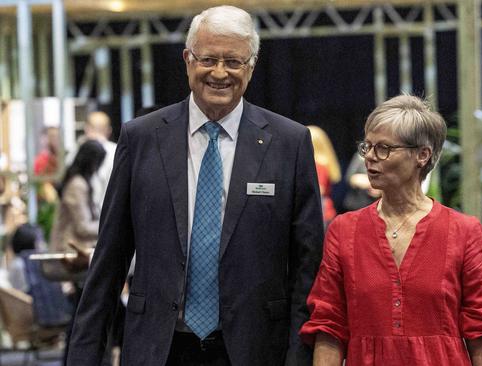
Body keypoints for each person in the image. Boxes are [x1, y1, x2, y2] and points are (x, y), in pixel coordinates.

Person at [67, 5, 324, 366]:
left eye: (234, 62)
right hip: (158, 349)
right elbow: (109, 260)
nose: (220, 73)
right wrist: (84, 356)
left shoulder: (290, 143)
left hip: (256, 350)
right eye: (208, 59)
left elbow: (307, 268)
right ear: (188, 60)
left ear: (251, 66)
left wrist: (300, 357)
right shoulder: (141, 138)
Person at [300, 95, 482, 365]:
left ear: (422, 154)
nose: (370, 158)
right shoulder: (344, 230)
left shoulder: (463, 231)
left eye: (384, 148)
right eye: (367, 147)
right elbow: (329, 327)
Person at [49, 139, 106, 252]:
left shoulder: (80, 182)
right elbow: (83, 227)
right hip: (71, 251)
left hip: (77, 250)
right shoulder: (77, 185)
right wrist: (109, 226)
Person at [307, 125, 341, 226]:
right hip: (325, 211)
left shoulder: (318, 165)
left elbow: (319, 189)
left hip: (321, 211)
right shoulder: (324, 163)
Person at [84, 111, 117, 210]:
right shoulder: (117, 151)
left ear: (86, 129)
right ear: (109, 130)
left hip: (83, 218)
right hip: (110, 215)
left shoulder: (76, 152)